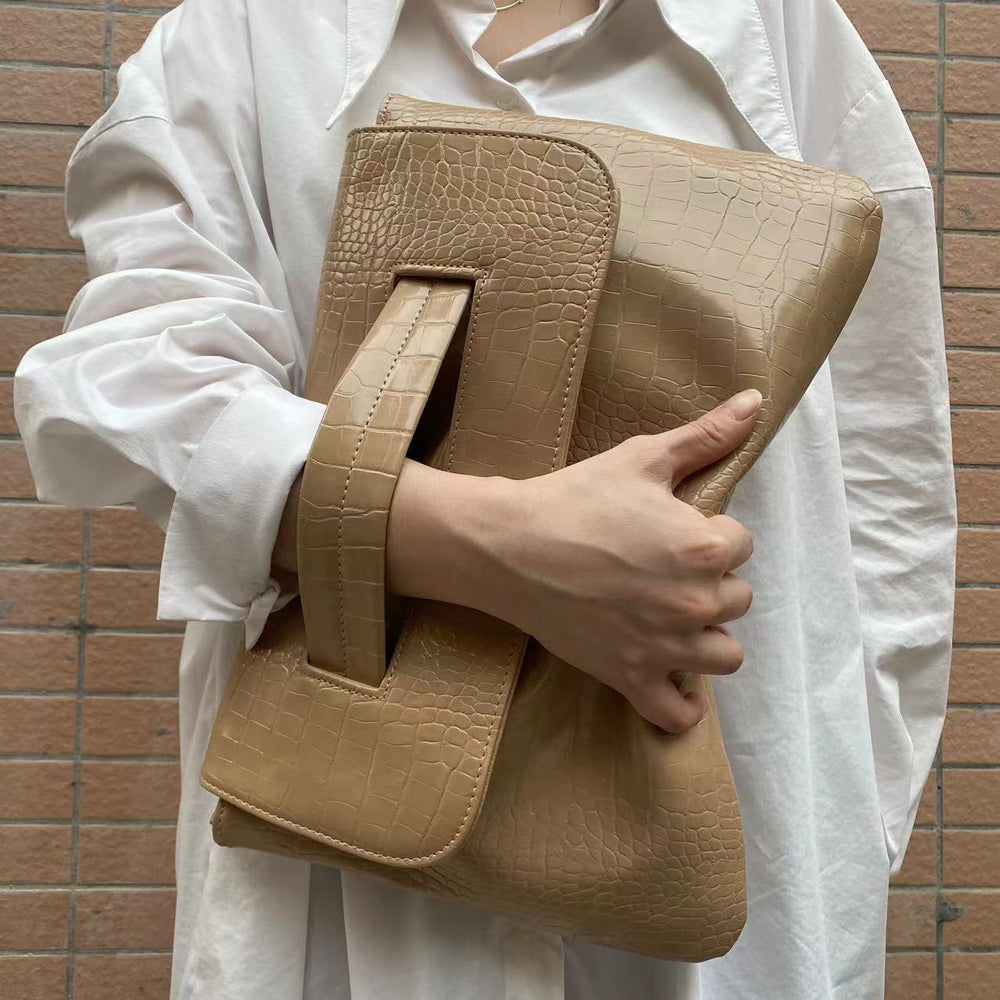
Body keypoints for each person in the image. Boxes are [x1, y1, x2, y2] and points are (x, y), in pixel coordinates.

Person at [12, 0, 956, 997]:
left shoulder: (783, 34)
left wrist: (850, 821)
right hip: (344, 834)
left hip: (742, 833)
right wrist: (500, 546)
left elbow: (887, 464)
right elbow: (136, 387)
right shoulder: (245, 33)